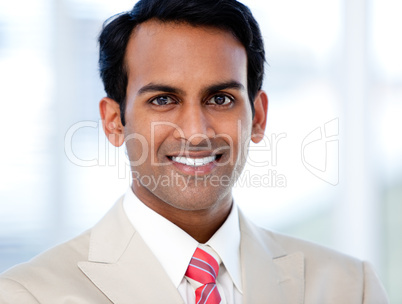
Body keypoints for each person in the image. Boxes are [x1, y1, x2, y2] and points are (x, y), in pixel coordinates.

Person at [0, 0, 388, 303]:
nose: (196, 133)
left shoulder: (351, 290)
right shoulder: (30, 296)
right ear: (114, 122)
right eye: (164, 99)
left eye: (220, 98)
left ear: (258, 117)